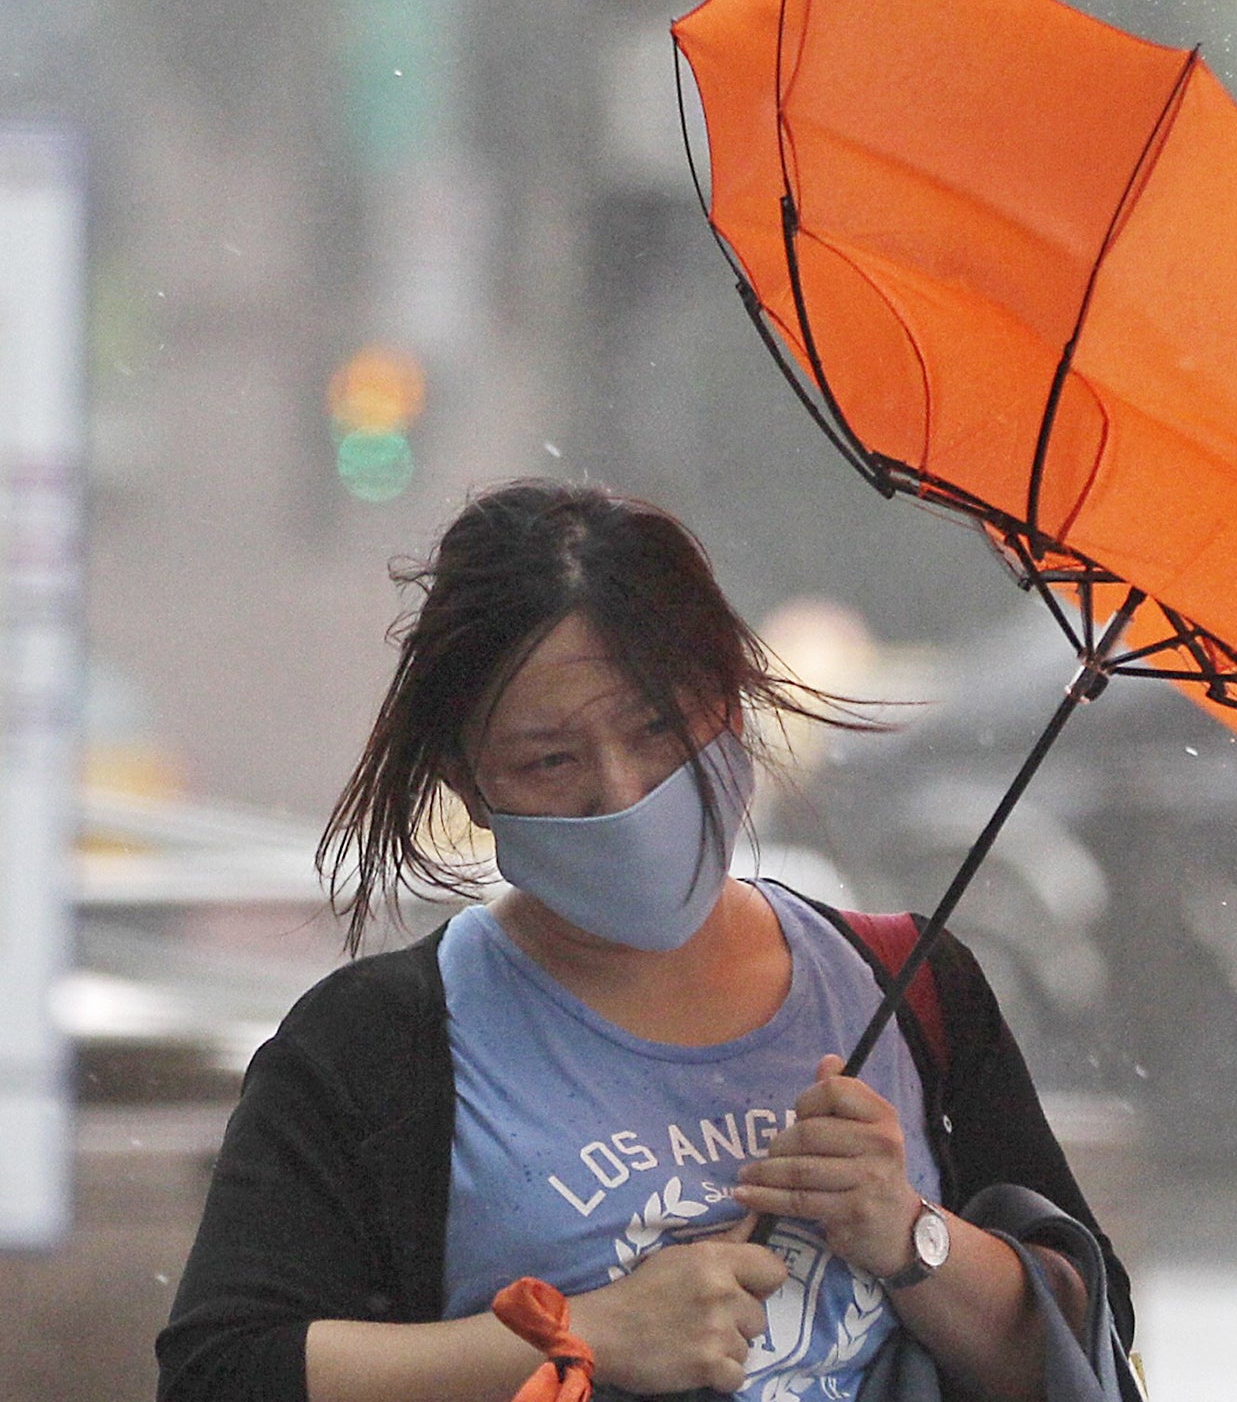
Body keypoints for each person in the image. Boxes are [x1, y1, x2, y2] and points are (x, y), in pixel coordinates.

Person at [157, 480, 1132, 1402]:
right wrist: (576, 1335)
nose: (621, 794)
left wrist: (910, 1234)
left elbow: (1074, 1353)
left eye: (657, 729)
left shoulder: (909, 988)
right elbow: (226, 1368)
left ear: (730, 697)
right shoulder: (377, 1044)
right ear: (466, 783)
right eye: (549, 759)